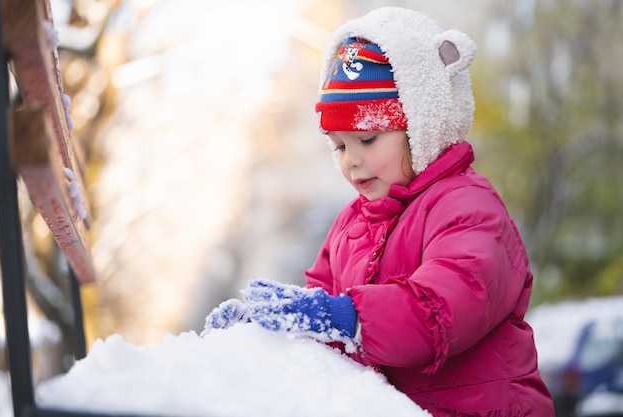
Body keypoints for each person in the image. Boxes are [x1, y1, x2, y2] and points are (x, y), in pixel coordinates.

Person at [204, 7, 555, 416]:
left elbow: (439, 314)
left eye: (367, 138)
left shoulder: (468, 209)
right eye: (339, 146)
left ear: (421, 124)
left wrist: (344, 316)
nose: (350, 160)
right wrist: (269, 329)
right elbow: (325, 325)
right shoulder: (351, 224)